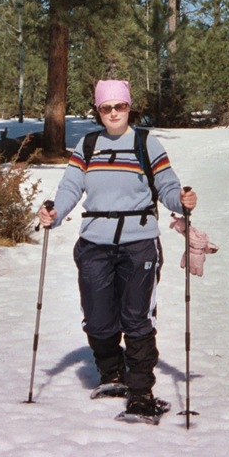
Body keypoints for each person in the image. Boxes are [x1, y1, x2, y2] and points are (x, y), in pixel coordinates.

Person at [37, 79, 197, 418]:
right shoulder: (88, 144)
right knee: (97, 319)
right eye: (106, 107)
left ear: (129, 107)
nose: (113, 113)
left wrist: (181, 202)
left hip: (139, 242)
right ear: (98, 110)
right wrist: (55, 211)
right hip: (94, 241)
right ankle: (111, 371)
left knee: (137, 319)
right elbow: (70, 186)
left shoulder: (146, 143)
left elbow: (167, 185)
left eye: (119, 106)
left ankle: (140, 391)